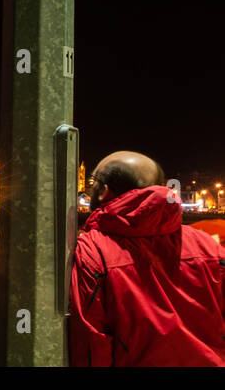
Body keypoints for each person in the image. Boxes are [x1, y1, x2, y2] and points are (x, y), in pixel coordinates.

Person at [69, 151, 225, 366]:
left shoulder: (93, 251)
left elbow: (91, 344)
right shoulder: (209, 246)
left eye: (94, 182)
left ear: (104, 191)